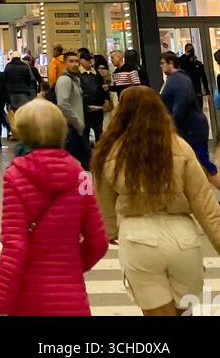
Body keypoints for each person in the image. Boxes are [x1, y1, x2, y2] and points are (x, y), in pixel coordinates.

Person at [93, 85, 220, 315]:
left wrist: (110, 231)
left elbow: (104, 202)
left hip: (137, 235)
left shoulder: (109, 151)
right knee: (184, 311)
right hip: (183, 236)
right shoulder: (181, 147)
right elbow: (204, 202)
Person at [0, 98, 108, 316]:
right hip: (72, 299)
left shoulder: (15, 176)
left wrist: (1, 300)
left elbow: (15, 245)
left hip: (29, 298)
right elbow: (98, 241)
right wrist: (70, 268)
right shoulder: (83, 178)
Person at [160, 51, 220, 189]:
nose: (161, 66)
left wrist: (172, 122)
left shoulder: (178, 80)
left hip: (191, 129)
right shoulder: (176, 79)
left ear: (171, 63)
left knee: (203, 163)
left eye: (163, 63)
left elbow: (182, 103)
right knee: (195, 164)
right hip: (188, 128)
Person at [54, 51, 91, 170]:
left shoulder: (75, 79)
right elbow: (62, 103)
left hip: (76, 128)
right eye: (71, 61)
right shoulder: (65, 80)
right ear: (65, 63)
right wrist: (77, 122)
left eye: (76, 61)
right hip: (71, 129)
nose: (75, 64)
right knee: (82, 163)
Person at [78, 50, 107, 146]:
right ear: (81, 60)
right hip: (85, 108)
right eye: (86, 60)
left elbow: (102, 86)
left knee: (98, 130)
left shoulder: (96, 73)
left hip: (98, 107)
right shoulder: (78, 74)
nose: (89, 62)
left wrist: (106, 99)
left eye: (89, 60)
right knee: (85, 132)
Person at [4, 51, 35, 123]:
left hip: (11, 93)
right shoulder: (25, 66)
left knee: (13, 113)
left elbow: (5, 79)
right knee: (22, 113)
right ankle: (22, 128)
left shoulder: (8, 66)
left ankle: (14, 128)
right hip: (23, 93)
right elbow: (28, 79)